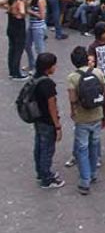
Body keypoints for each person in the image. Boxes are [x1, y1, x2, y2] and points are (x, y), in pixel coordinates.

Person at [67, 46, 105, 195]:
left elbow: (72, 99)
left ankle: (85, 181)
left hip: (82, 118)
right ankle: (93, 174)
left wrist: (73, 112)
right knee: (94, 145)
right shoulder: (97, 72)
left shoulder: (72, 77)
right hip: (97, 115)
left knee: (82, 149)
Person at [30, 52, 65, 188]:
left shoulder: (35, 79)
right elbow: (52, 106)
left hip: (38, 119)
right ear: (48, 67)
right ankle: (47, 178)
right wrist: (57, 125)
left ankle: (40, 172)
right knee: (47, 150)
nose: (55, 67)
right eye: (54, 65)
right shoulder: (48, 84)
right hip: (47, 121)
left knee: (39, 146)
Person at [1, 0, 29, 80]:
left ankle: (11, 71)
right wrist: (22, 13)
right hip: (19, 28)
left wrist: (8, 9)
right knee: (18, 50)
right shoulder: (19, 2)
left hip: (11, 27)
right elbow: (22, 12)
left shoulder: (10, 0)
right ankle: (16, 73)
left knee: (12, 49)